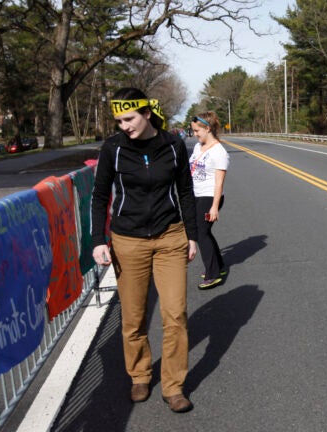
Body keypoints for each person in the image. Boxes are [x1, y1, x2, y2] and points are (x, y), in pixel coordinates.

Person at [91, 87, 198, 413]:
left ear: (147, 113)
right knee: (133, 317)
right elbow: (99, 195)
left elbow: (185, 191)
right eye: (119, 121)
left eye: (129, 119)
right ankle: (139, 375)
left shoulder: (173, 145)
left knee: (175, 314)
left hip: (170, 237)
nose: (124, 126)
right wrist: (98, 240)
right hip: (128, 240)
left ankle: (173, 386)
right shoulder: (113, 148)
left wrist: (192, 236)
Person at [189, 112, 229, 289]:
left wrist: (214, 207)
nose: (194, 134)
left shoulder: (219, 152)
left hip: (210, 197)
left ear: (207, 128)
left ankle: (213, 274)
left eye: (197, 130)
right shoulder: (198, 147)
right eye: (193, 130)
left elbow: (219, 183)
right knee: (204, 232)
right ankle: (219, 266)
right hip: (197, 195)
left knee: (201, 233)